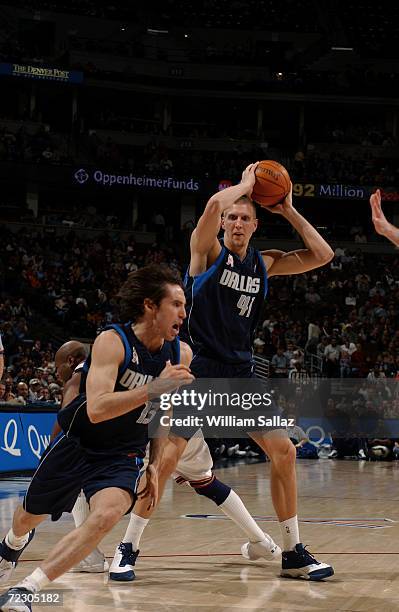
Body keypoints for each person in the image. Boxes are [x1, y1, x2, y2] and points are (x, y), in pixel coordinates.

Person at [123, 162, 335, 580]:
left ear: (256, 224)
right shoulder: (206, 253)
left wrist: (288, 209)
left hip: (240, 372)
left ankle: (292, 552)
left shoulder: (265, 263)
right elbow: (208, 209)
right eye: (232, 217)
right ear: (223, 223)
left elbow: (323, 255)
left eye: (245, 217)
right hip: (199, 370)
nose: (237, 222)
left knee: (285, 451)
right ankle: (128, 546)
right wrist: (244, 185)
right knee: (166, 459)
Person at [0, 265, 194, 611]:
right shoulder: (112, 341)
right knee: (27, 518)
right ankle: (11, 546)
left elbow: (164, 411)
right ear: (151, 306)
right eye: (176, 304)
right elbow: (97, 409)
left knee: (106, 516)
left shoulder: (181, 353)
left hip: (123, 455)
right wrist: (155, 386)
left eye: (184, 305)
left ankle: (26, 590)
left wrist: (154, 461)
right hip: (80, 442)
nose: (183, 312)